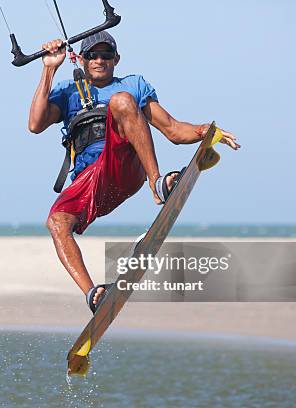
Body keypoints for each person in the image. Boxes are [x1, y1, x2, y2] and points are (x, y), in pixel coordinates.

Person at [27, 31, 240, 313]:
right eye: (92, 55)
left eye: (105, 55)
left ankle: (158, 184)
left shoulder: (133, 85)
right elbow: (35, 124)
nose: (99, 60)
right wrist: (49, 69)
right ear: (81, 59)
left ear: (117, 59)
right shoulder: (67, 91)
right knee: (57, 223)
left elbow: (173, 130)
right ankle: (93, 294)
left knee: (121, 101)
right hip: (91, 181)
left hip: (126, 166)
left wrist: (205, 131)